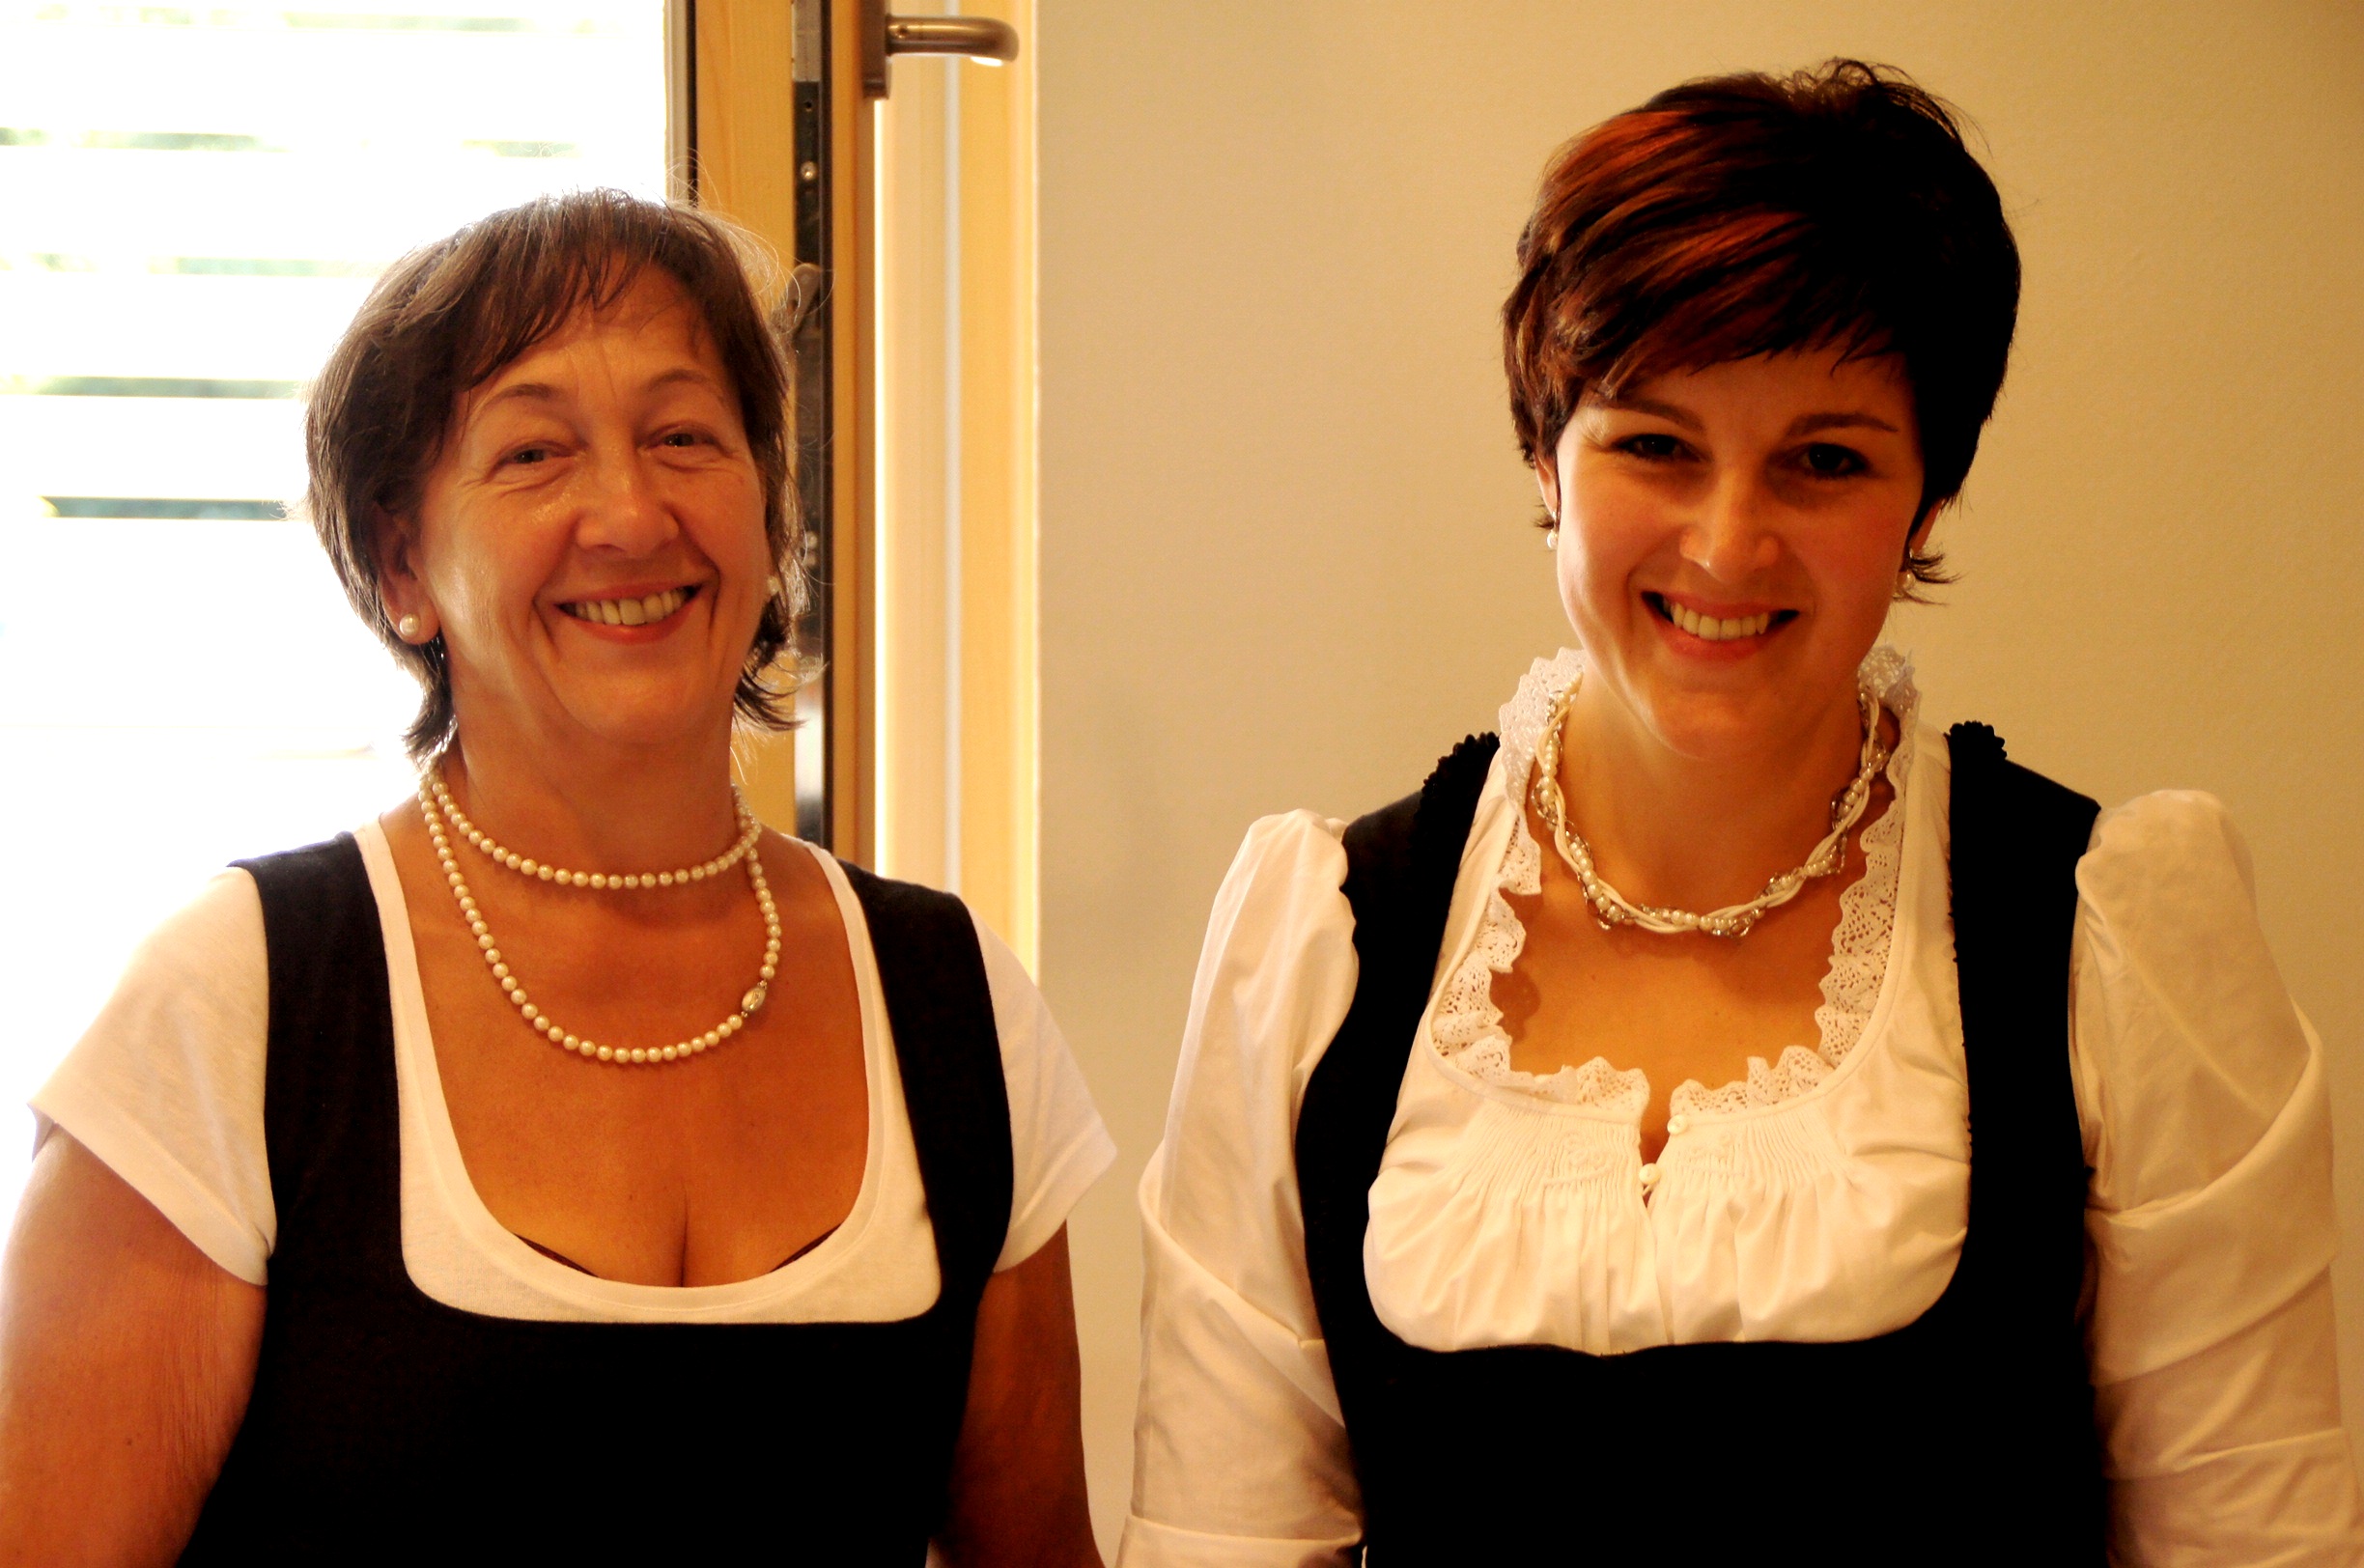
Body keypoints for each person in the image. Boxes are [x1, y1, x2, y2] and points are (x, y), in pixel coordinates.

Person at [1120, 61, 2362, 1565]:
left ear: (1927, 500)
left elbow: (2252, 1544)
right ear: (1545, 453)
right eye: (1654, 443)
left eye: (1823, 462)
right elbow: (1223, 1540)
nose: (1727, 545)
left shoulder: (2113, 936)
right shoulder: (1318, 947)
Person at [0, 191, 1112, 1565]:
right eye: (533, 453)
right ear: (401, 564)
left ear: (772, 517)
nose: (630, 514)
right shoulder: (241, 1001)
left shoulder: (950, 999)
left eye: (684, 437)